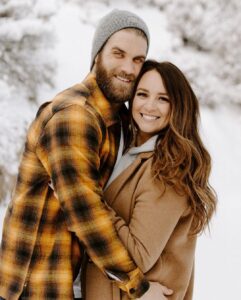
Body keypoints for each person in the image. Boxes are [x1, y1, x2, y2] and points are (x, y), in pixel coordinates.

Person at [0, 10, 152, 300]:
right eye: (118, 53)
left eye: (138, 60)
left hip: (69, 281)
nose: (128, 68)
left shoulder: (117, 119)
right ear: (97, 55)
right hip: (36, 285)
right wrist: (137, 287)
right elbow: (86, 211)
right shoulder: (75, 116)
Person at [84, 60, 217, 300]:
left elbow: (139, 256)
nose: (149, 106)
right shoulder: (134, 151)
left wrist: (88, 200)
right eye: (142, 94)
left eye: (163, 99)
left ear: (178, 106)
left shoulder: (168, 170)